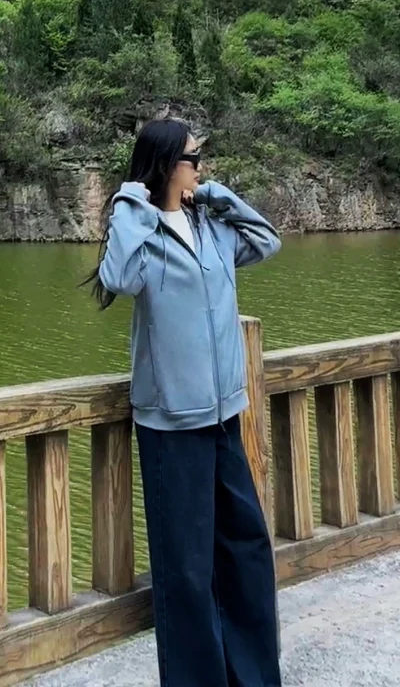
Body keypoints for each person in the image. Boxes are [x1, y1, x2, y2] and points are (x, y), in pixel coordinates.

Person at [88, 117, 282, 687]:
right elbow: (118, 277)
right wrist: (131, 199)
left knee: (246, 548)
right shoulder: (142, 237)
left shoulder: (212, 225)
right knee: (188, 571)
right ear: (169, 164)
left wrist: (216, 194)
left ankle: (253, 676)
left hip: (225, 414)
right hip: (171, 423)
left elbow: (268, 241)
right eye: (196, 158)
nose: (203, 165)